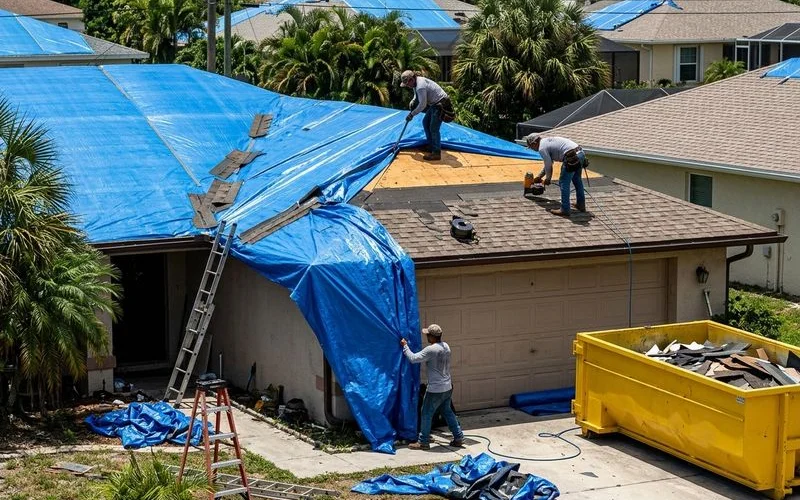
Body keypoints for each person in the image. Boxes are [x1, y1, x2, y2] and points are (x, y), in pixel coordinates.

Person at [400, 324, 463, 450]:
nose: (427, 336)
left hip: (436, 389)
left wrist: (404, 345)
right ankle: (458, 437)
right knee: (447, 411)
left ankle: (423, 441)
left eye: (428, 334)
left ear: (432, 337)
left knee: (426, 413)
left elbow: (413, 358)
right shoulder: (446, 346)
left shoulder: (431, 349)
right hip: (447, 387)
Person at [525, 134, 588, 216]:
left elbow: (548, 165)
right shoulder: (546, 142)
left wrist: (548, 179)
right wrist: (539, 177)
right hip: (580, 153)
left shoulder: (542, 148)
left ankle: (565, 209)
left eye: (531, 147)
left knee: (563, 182)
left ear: (534, 143)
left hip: (571, 156)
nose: (533, 149)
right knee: (577, 180)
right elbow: (549, 163)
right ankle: (581, 205)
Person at [400, 70, 453, 162]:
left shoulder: (420, 86)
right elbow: (416, 95)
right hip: (434, 104)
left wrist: (411, 114)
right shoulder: (416, 82)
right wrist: (413, 100)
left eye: (408, 83)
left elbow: (422, 105)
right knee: (425, 122)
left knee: (433, 128)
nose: (408, 86)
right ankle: (431, 146)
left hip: (440, 104)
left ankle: (436, 153)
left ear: (412, 79)